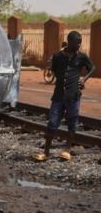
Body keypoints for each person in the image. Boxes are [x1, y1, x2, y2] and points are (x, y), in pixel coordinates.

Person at [36, 31, 96, 161]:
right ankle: (46, 152)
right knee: (52, 122)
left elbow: (92, 67)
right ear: (70, 42)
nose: (79, 44)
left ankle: (67, 150)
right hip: (58, 96)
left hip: (73, 96)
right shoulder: (57, 56)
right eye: (77, 42)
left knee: (72, 122)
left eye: (80, 42)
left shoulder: (82, 57)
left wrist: (83, 79)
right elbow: (55, 70)